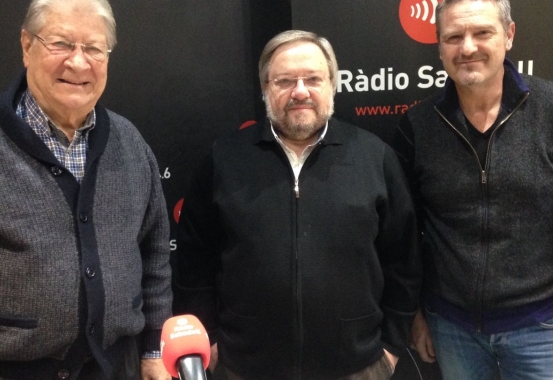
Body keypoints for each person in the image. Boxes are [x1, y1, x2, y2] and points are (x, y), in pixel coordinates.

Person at [0, 1, 172, 379]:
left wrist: (152, 348)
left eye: (94, 48)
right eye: (61, 44)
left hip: (119, 366)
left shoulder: (130, 142)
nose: (79, 63)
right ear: (26, 45)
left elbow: (155, 256)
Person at [172, 30, 421, 380]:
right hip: (244, 367)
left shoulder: (374, 157)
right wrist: (210, 339)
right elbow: (194, 263)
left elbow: (403, 260)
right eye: (285, 80)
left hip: (357, 367)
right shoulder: (225, 159)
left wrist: (392, 348)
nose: (300, 91)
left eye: (313, 79)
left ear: (333, 84)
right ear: (265, 88)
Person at [392, 0, 553, 379]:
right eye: (454, 37)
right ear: (439, 46)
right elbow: (403, 233)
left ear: (509, 35)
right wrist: (415, 314)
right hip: (451, 327)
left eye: (482, 32)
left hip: (540, 327)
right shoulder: (417, 126)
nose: (467, 48)